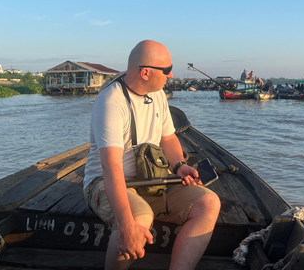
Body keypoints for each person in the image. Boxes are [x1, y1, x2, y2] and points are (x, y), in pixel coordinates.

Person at [83, 40, 221, 270]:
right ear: (145, 72)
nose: (171, 74)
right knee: (139, 219)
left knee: (209, 202)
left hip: (150, 178)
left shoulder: (156, 94)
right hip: (106, 183)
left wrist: (179, 166)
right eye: (166, 70)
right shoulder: (111, 102)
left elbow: (167, 138)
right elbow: (111, 168)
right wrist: (126, 226)